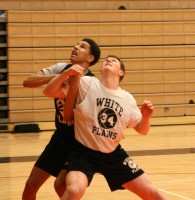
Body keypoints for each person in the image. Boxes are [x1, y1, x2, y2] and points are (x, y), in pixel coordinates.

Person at [44, 55, 169, 200]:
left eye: (114, 60)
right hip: (83, 152)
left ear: (121, 72)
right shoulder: (86, 83)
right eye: (106, 60)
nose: (108, 60)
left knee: (154, 193)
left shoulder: (127, 98)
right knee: (73, 191)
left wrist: (146, 117)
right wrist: (65, 74)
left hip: (113, 155)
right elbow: (49, 92)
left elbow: (142, 129)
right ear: (101, 69)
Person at [22, 38, 101, 199]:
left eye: (82, 46)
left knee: (61, 186)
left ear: (90, 58)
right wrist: (61, 76)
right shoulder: (61, 68)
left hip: (79, 143)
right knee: (30, 186)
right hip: (60, 138)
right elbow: (28, 81)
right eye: (77, 44)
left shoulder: (92, 82)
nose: (76, 47)